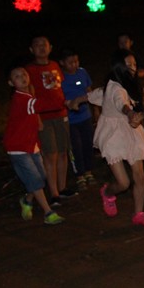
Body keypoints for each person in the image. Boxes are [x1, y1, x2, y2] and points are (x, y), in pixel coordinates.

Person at [90, 49, 144, 226]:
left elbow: (96, 94)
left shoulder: (129, 84)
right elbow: (120, 102)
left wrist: (78, 100)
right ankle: (108, 193)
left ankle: (139, 213)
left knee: (139, 175)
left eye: (134, 64)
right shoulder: (114, 88)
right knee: (123, 183)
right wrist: (130, 112)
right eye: (128, 65)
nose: (133, 68)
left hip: (131, 132)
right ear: (118, 67)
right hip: (113, 134)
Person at [3, 64, 65, 225]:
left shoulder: (28, 96)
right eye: (17, 76)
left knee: (41, 176)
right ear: (10, 83)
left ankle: (27, 200)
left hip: (31, 144)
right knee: (36, 179)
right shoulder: (21, 99)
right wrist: (63, 100)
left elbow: (35, 115)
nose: (22, 77)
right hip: (18, 147)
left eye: (23, 74)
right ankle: (48, 212)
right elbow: (42, 106)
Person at [24, 35, 74, 204]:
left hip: (61, 113)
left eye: (44, 44)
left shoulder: (54, 66)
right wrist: (36, 118)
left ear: (50, 47)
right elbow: (30, 95)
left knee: (62, 151)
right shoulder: (30, 70)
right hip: (44, 117)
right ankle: (53, 193)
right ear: (31, 49)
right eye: (37, 45)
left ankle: (63, 187)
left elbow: (60, 88)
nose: (41, 48)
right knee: (50, 154)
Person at [58, 47, 95, 191]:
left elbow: (89, 91)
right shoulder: (59, 77)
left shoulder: (82, 72)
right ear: (62, 63)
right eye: (70, 62)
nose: (74, 64)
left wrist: (95, 109)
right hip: (70, 120)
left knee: (88, 144)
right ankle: (79, 175)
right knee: (75, 147)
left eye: (76, 61)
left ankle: (89, 172)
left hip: (85, 116)